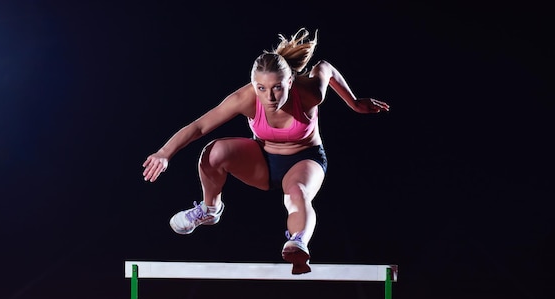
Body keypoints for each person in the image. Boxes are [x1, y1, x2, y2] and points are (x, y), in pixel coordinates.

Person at [142, 28, 389, 274]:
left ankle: (298, 242)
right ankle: (210, 209)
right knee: (213, 152)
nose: (269, 97)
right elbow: (199, 126)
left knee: (297, 193)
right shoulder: (244, 98)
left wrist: (354, 103)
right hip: (262, 160)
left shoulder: (310, 93)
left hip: (305, 158)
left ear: (290, 82)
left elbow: (325, 67)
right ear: (253, 84)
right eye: (261, 88)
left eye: (277, 88)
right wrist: (164, 153)